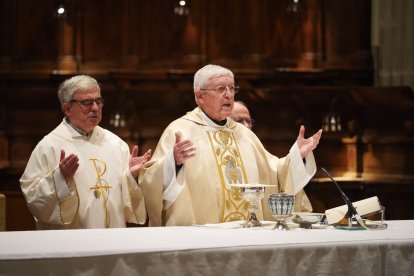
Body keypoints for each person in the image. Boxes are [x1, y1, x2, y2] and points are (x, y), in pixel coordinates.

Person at [139, 64, 322, 226]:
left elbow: (275, 174)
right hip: (200, 238)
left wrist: (297, 155)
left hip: (246, 234)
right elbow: (150, 181)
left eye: (232, 88)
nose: (228, 95)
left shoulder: (244, 135)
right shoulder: (180, 130)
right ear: (200, 96)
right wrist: (174, 163)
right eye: (220, 89)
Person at [20, 75, 152, 229]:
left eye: (99, 101)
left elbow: (122, 196)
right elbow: (33, 197)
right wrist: (59, 179)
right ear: (67, 108)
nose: (95, 108)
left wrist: (129, 175)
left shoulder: (116, 143)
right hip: (72, 242)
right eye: (87, 102)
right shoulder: (49, 146)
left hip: (113, 239)